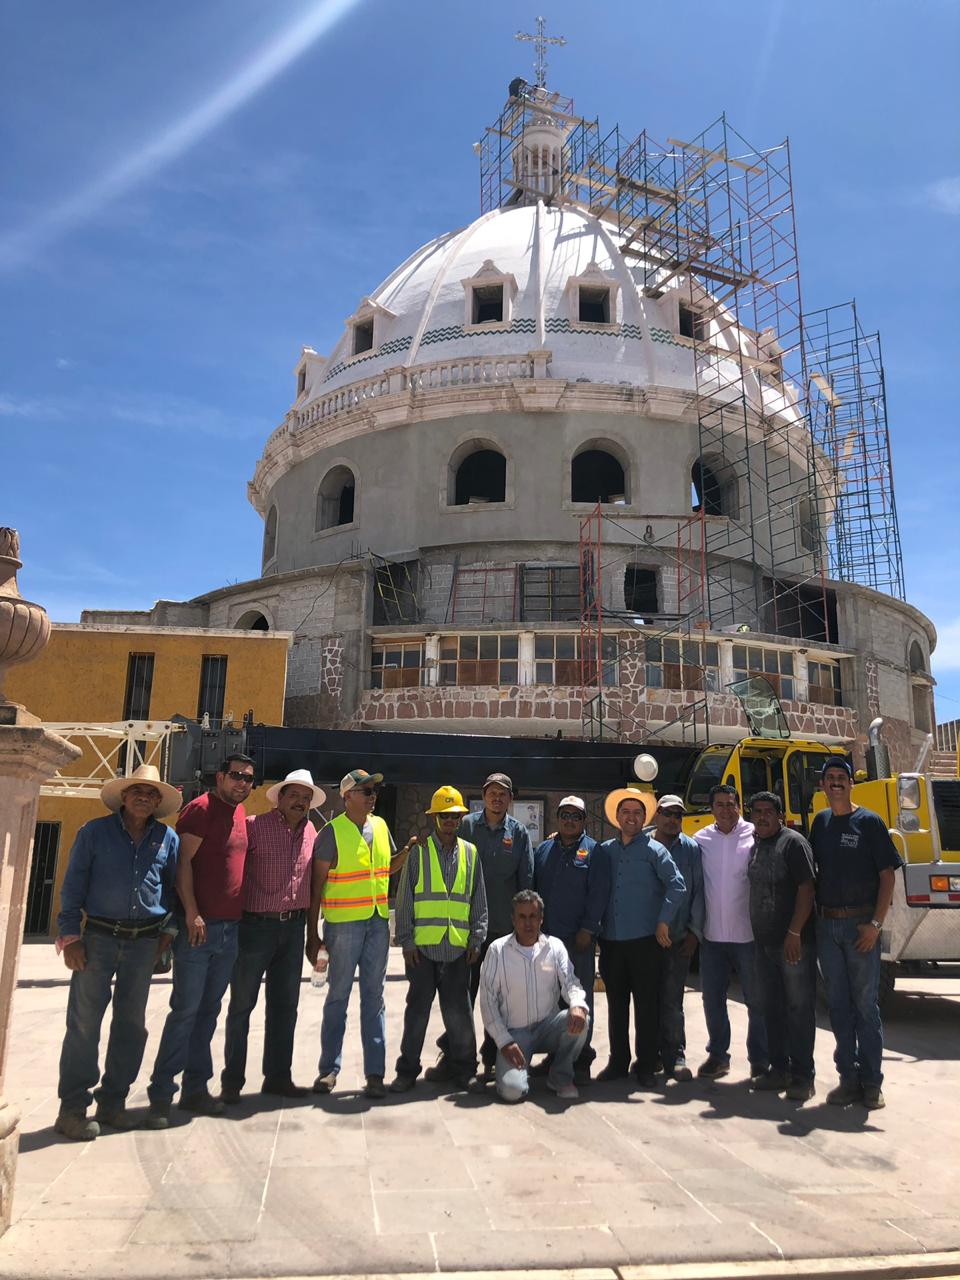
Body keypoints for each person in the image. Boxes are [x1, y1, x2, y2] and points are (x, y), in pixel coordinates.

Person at [53, 765, 180, 1140]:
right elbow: (73, 884)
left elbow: (171, 889)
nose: (143, 797)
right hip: (97, 939)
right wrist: (69, 937)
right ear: (123, 797)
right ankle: (72, 1108)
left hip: (144, 942)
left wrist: (167, 934)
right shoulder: (94, 833)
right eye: (137, 791)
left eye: (151, 793)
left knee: (131, 1025)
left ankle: (113, 1102)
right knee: (83, 1024)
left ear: (158, 802)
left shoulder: (166, 838)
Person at [147, 753, 254, 1126]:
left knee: (209, 1012)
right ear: (220, 776)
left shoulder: (239, 814)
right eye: (237, 776)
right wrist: (191, 912)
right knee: (186, 1011)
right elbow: (182, 865)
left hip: (229, 929)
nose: (243, 783)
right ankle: (161, 1094)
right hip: (199, 930)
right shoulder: (199, 809)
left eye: (249, 779)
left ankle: (195, 1089)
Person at [220, 769, 326, 1104]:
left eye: (306, 797)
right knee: (241, 1006)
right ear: (279, 797)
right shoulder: (253, 827)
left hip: (293, 930)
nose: (300, 802)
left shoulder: (311, 831)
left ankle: (278, 1077)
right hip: (255, 928)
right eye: (294, 795)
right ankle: (232, 1082)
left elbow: (314, 888)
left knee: (285, 1007)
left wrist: (313, 935)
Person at [811, 758, 902, 1110]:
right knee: (838, 1006)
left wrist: (875, 925)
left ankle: (872, 1083)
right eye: (829, 778)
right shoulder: (820, 823)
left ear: (851, 784)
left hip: (859, 927)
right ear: (822, 785)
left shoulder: (870, 822)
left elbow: (888, 876)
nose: (835, 783)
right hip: (826, 926)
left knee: (865, 1007)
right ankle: (847, 1079)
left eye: (841, 778)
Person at [434, 772, 533, 1082]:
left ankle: (493, 1058)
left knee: (500, 999)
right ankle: (453, 1055)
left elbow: (526, 882)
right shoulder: (465, 826)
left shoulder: (518, 834)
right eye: (492, 792)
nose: (497, 798)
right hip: (467, 930)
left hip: (504, 931)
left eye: (503, 794)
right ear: (483, 795)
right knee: (461, 996)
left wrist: (525, 929)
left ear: (510, 800)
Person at [389, 786, 488, 1094]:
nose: (450, 821)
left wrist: (477, 938)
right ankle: (407, 1070)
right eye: (444, 815)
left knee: (459, 1013)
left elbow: (478, 901)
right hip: (422, 951)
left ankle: (464, 1070)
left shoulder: (470, 854)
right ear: (434, 818)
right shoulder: (418, 852)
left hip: (458, 949)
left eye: (455, 816)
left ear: (460, 818)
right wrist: (406, 940)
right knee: (416, 1011)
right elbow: (404, 899)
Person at [307, 768, 396, 1100]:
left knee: (374, 999)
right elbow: (315, 889)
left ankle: (375, 1073)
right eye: (365, 791)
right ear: (346, 797)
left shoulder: (382, 826)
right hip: (343, 926)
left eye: (374, 791)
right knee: (338, 998)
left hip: (377, 923)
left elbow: (387, 867)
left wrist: (410, 852)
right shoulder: (331, 833)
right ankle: (329, 1069)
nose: (372, 796)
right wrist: (312, 935)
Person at [598, 787, 685, 1088]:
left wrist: (664, 921)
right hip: (611, 941)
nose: (631, 817)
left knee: (647, 1006)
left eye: (637, 812)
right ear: (617, 817)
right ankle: (618, 1062)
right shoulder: (605, 850)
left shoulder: (654, 850)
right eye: (626, 812)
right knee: (616, 1005)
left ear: (644, 817)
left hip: (646, 941)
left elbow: (677, 886)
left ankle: (646, 1064)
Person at [478, 890, 589, 1102]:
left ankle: (560, 1076)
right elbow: (487, 1001)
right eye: (522, 916)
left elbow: (571, 983)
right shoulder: (497, 951)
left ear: (541, 919)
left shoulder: (554, 947)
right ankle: (516, 1072)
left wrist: (576, 1004)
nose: (527, 923)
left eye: (533, 917)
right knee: (512, 1091)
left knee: (581, 1019)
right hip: (515, 1036)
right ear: (513, 919)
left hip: (548, 1027)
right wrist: (504, 1041)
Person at [746, 790, 818, 1101]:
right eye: (756, 811)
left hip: (792, 944)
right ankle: (779, 1070)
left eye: (767, 811)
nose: (761, 816)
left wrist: (794, 932)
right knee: (771, 1009)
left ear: (779, 815)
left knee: (798, 1010)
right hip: (763, 944)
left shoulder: (793, 843)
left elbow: (807, 887)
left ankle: (803, 1076)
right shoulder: (757, 844)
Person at [532, 795, 609, 1084]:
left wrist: (588, 930)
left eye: (575, 816)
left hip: (579, 942)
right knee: (552, 1002)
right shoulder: (544, 850)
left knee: (579, 999)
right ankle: (555, 1057)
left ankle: (580, 1060)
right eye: (564, 815)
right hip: (547, 942)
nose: (569, 820)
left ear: (584, 821)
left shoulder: (594, 852)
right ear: (556, 818)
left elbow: (598, 894)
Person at [695, 784, 768, 1081]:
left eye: (731, 803)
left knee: (757, 1001)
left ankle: (760, 1060)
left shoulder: (756, 835)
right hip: (712, 936)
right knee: (712, 999)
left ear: (739, 806)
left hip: (748, 936)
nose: (726, 809)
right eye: (720, 804)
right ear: (711, 808)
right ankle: (717, 1055)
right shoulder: (700, 839)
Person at [649, 794, 704, 1083]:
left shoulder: (691, 849)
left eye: (678, 815)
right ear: (656, 815)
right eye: (667, 814)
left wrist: (695, 933)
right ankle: (650, 1055)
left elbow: (697, 893)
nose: (672, 820)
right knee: (648, 999)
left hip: (679, 937)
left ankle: (675, 1053)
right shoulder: (643, 843)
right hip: (646, 939)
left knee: (673, 1000)